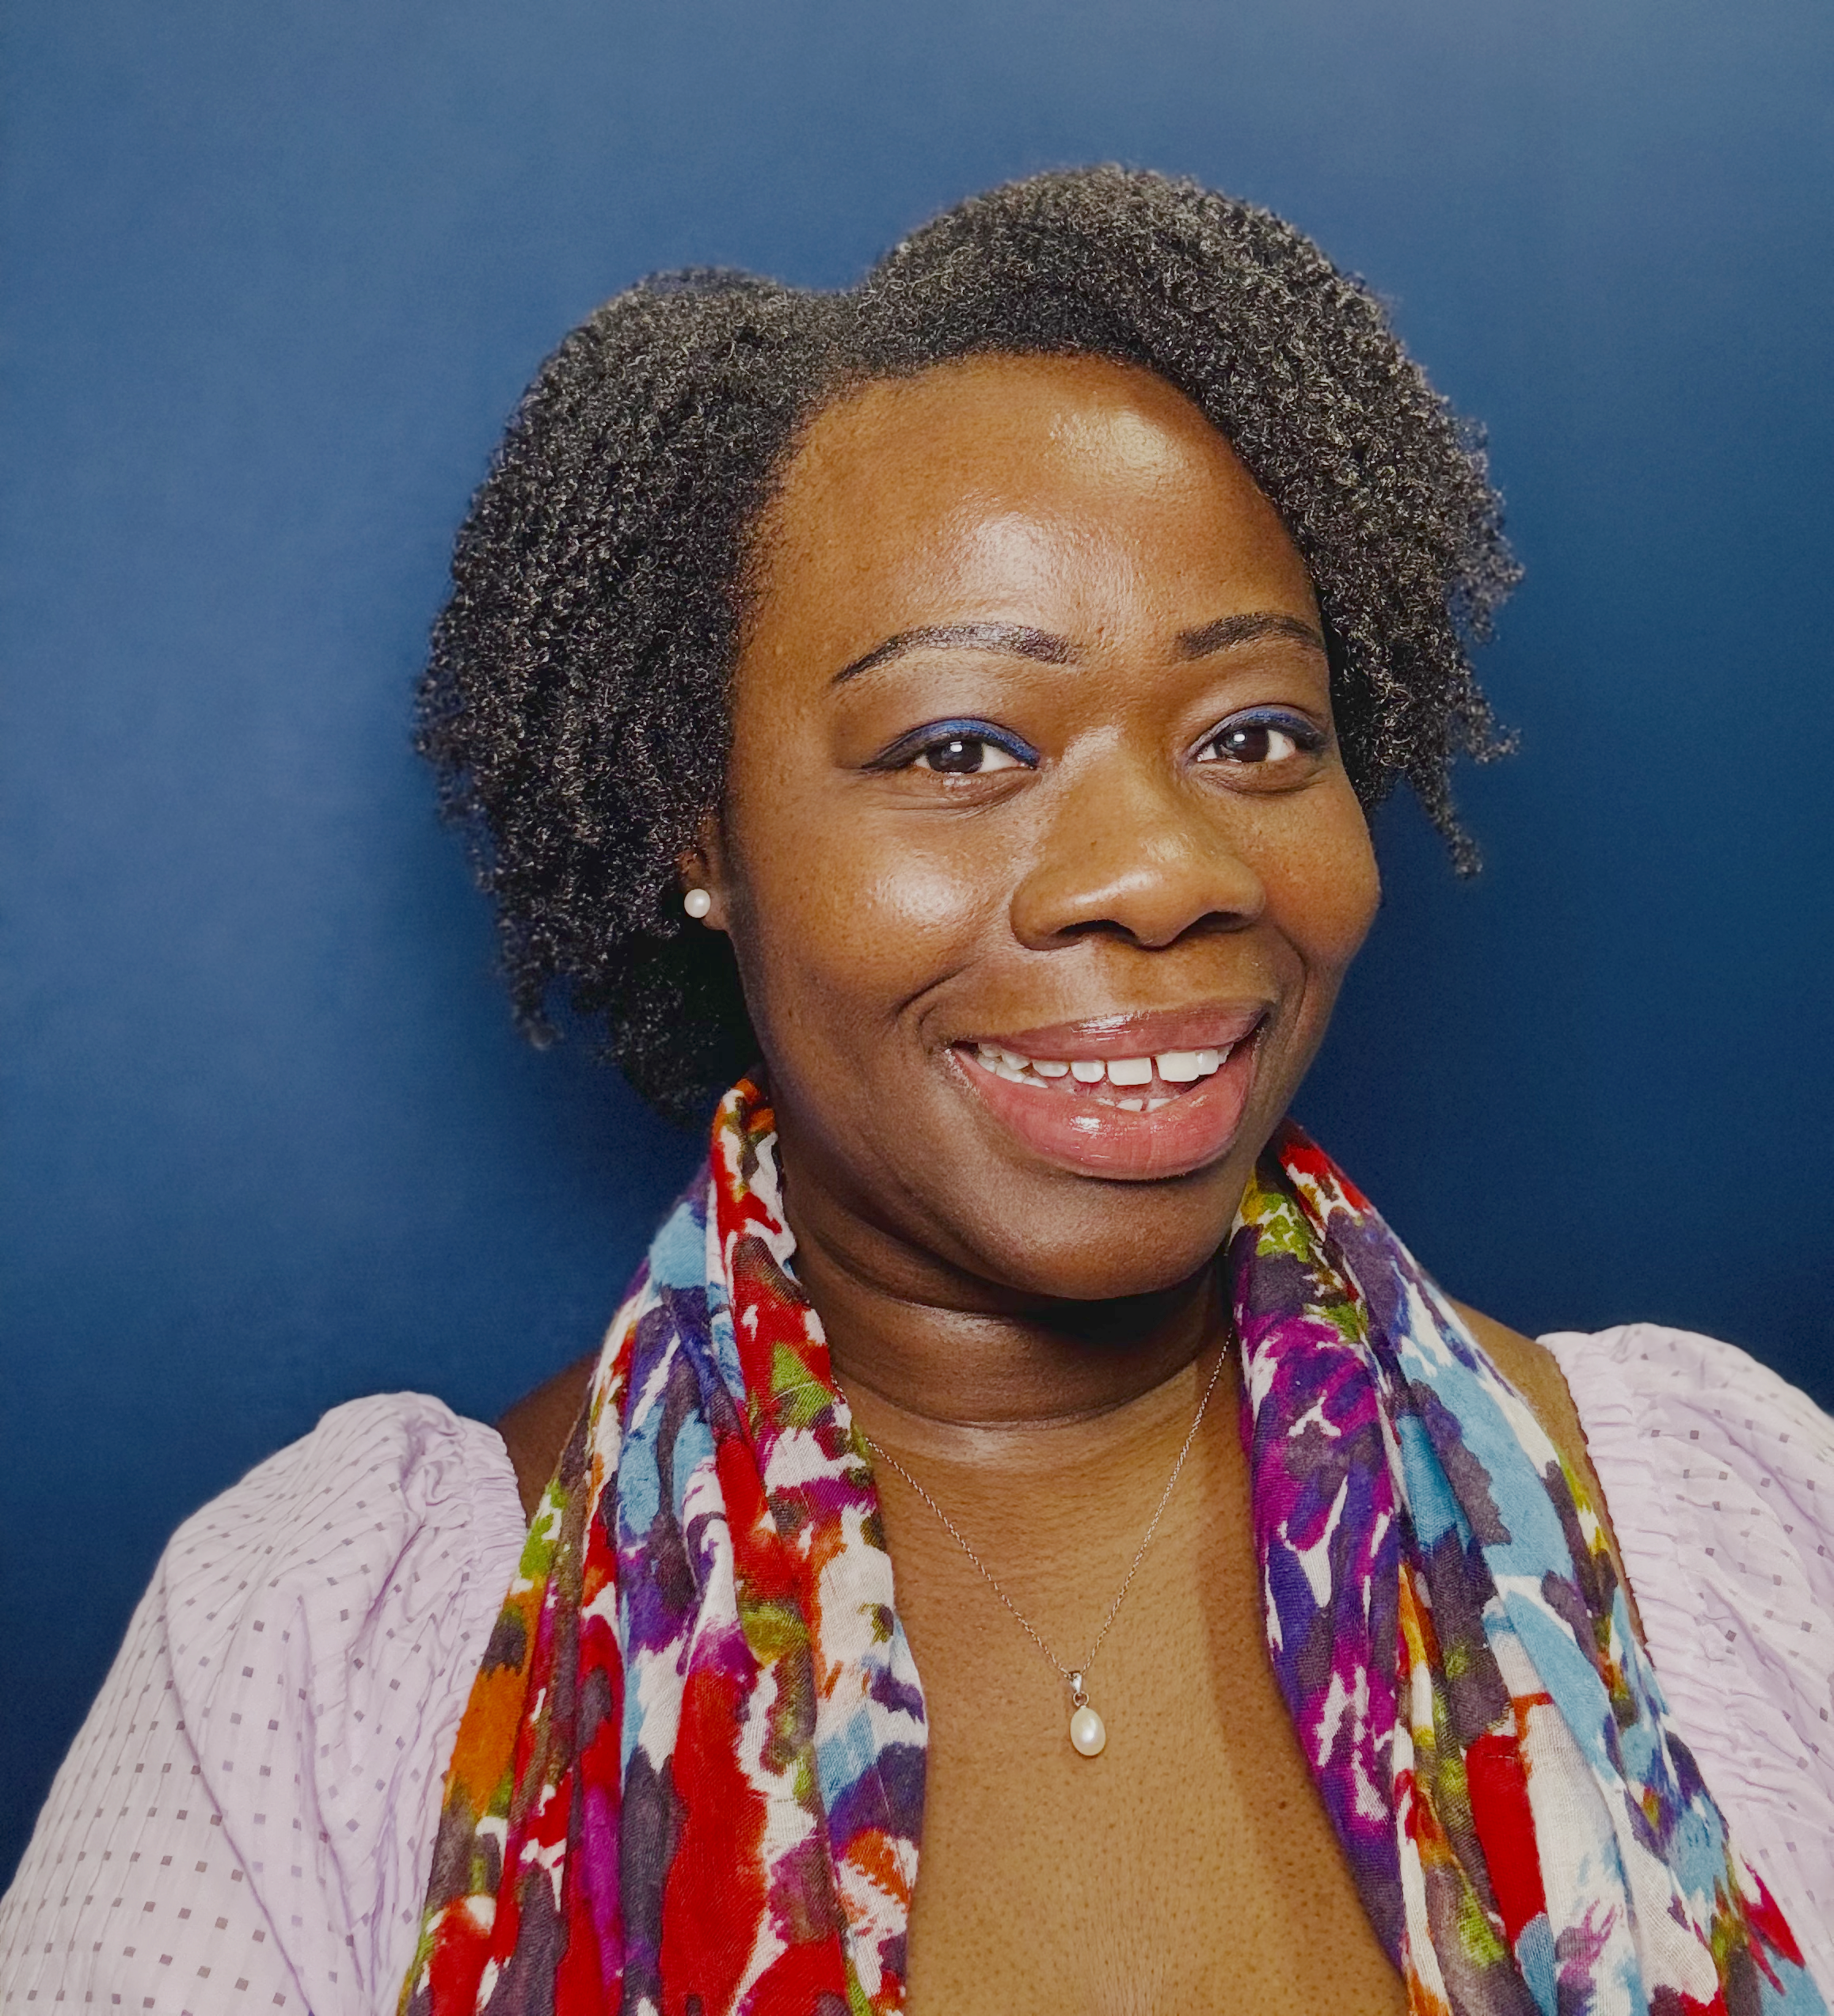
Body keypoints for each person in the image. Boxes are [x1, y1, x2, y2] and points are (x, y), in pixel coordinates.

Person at [4, 168, 1830, 2016]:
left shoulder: (1733, 1537)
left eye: (1254, 733)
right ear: (700, 836)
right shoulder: (321, 1651)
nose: (1161, 867)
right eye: (962, 746)